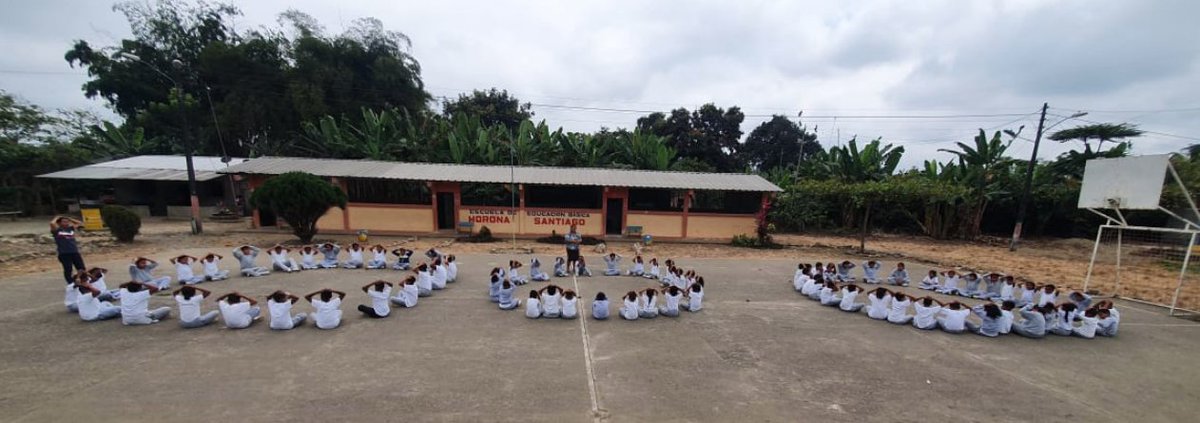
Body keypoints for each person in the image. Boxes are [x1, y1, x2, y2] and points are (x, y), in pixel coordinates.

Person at [51, 216, 87, 286]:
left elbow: (80, 223)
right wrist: (57, 217)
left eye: (67, 222)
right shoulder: (57, 230)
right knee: (68, 269)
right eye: (64, 222)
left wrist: (70, 218)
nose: (66, 223)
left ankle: (80, 280)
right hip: (64, 253)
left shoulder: (70, 229)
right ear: (59, 223)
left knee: (81, 268)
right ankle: (71, 283)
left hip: (74, 251)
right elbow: (52, 223)